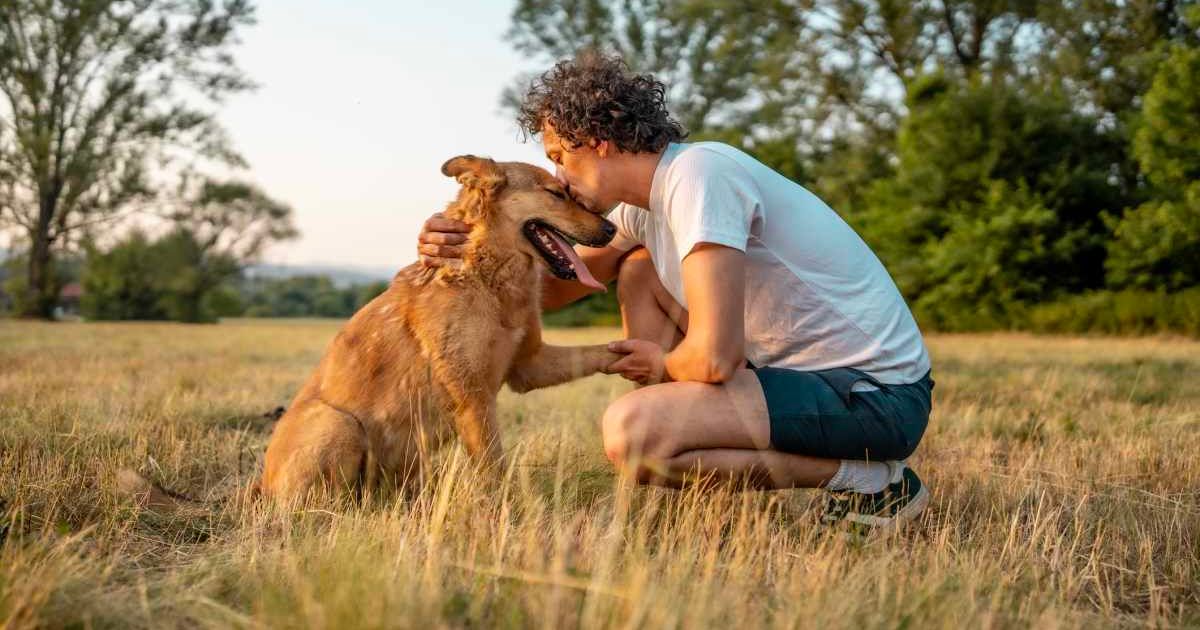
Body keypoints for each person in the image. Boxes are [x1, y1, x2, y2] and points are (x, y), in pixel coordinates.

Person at [417, 52, 933, 531]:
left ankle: (873, 483)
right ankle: (690, 470)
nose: (560, 179)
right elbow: (548, 294)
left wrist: (661, 367)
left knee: (634, 434)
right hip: (807, 383)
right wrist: (467, 243)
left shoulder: (700, 175)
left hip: (877, 397)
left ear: (595, 139)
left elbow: (713, 359)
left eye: (559, 156)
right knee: (638, 268)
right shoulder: (643, 207)